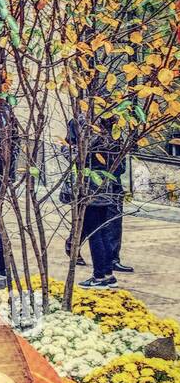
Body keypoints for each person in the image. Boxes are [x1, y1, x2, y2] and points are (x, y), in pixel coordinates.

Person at [64, 117, 132, 287]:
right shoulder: (111, 134)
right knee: (103, 233)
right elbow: (119, 166)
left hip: (89, 190)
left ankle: (99, 276)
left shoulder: (88, 132)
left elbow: (75, 157)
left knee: (95, 234)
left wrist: (65, 149)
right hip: (106, 187)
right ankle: (108, 274)